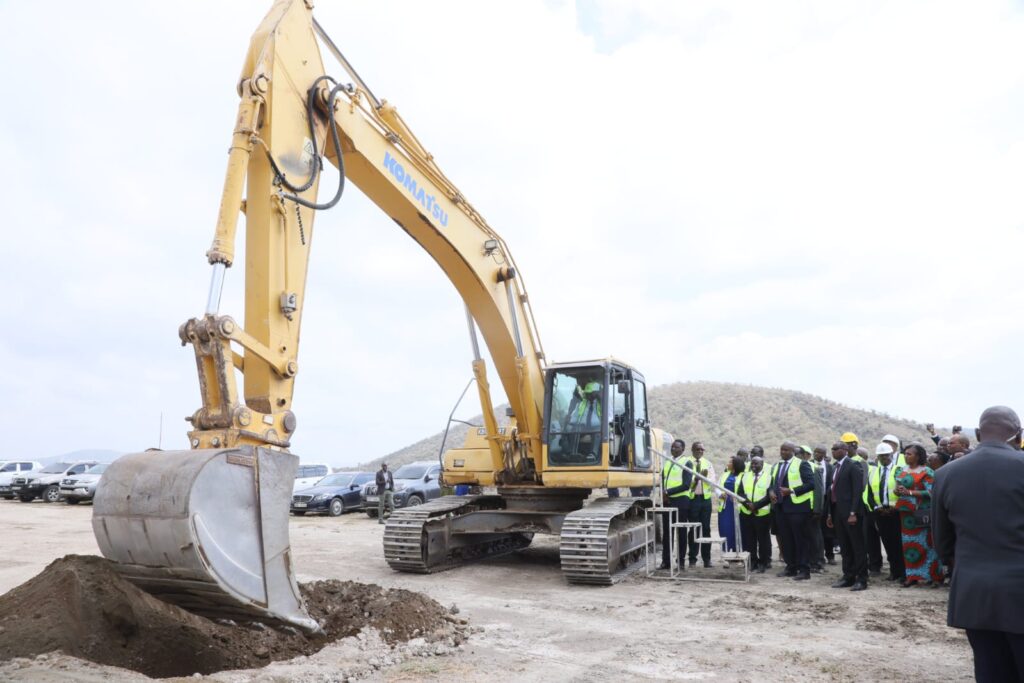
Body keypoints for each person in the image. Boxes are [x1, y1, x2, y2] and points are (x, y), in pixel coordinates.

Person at [933, 406, 1024, 683]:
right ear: (1018, 435)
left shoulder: (946, 474)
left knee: (989, 670)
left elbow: (942, 541)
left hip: (973, 592)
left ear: (978, 433)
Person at [894, 443, 942, 587]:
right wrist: (898, 492)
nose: (906, 456)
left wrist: (910, 492)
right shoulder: (901, 470)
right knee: (909, 545)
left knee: (928, 545)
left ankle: (934, 576)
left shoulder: (927, 472)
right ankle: (912, 576)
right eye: (905, 453)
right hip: (906, 514)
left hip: (921, 513)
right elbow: (897, 490)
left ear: (918, 456)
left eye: (910, 454)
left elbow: (931, 492)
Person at [769, 441, 814, 580]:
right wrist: (771, 492)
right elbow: (772, 484)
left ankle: (804, 570)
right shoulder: (777, 466)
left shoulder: (802, 464)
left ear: (793, 451)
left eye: (786, 450)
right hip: (781, 508)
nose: (783, 452)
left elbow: (811, 484)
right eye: (781, 449)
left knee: (800, 540)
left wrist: (792, 491)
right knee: (786, 539)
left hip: (798, 508)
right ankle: (791, 567)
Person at [828, 440, 868, 591]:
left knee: (857, 547)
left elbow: (857, 491)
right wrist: (830, 514)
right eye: (832, 449)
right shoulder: (835, 467)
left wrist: (853, 512)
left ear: (845, 450)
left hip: (851, 513)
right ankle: (848, 576)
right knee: (845, 547)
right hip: (837, 512)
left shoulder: (853, 465)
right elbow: (832, 491)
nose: (833, 451)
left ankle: (862, 579)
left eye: (836, 448)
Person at [865, 443, 905, 583]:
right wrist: (877, 507)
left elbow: (903, 490)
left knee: (899, 543)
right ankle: (894, 572)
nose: (884, 458)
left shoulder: (898, 470)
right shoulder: (873, 472)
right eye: (881, 456)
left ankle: (903, 573)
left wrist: (895, 506)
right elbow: (869, 493)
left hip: (896, 512)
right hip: (880, 513)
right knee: (887, 543)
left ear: (891, 456)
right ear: (878, 457)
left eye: (886, 456)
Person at [659, 439, 691, 570]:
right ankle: (666, 561)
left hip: (681, 501)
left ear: (682, 449)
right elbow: (662, 479)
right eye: (672, 447)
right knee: (667, 532)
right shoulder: (667, 462)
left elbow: (686, 485)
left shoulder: (687, 463)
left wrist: (668, 492)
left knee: (681, 531)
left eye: (676, 447)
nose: (673, 449)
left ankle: (681, 561)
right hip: (668, 501)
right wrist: (663, 493)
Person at [738, 455, 772, 573]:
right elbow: (740, 493)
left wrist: (756, 506)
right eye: (752, 463)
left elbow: (769, 496)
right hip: (746, 513)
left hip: (762, 514)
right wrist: (749, 505)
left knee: (763, 540)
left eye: (756, 463)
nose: (753, 466)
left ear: (762, 464)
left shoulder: (768, 477)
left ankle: (764, 562)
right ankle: (752, 562)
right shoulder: (745, 476)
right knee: (748, 539)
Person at [685, 442, 716, 567]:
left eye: (702, 449)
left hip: (705, 500)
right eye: (697, 449)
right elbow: (685, 480)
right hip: (692, 499)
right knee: (693, 529)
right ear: (692, 450)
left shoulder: (708, 463)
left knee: (706, 529)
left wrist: (704, 478)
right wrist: (696, 479)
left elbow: (713, 480)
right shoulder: (686, 462)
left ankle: (707, 559)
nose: (700, 451)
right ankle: (692, 559)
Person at [799, 446, 826, 573]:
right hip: (802, 509)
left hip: (812, 509)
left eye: (800, 454)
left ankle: (817, 562)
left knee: (815, 536)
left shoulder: (813, 467)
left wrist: (817, 509)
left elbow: (819, 490)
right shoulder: (796, 468)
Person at [815, 446, 837, 565]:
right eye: (815, 452)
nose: (816, 454)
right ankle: (818, 557)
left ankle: (830, 555)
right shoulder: (810, 465)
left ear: (824, 454)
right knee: (815, 530)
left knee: (828, 531)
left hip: (827, 500)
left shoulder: (830, 467)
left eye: (819, 452)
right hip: (815, 502)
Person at [717, 456, 743, 552]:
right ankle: (726, 553)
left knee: (738, 530)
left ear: (735, 465)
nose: (728, 464)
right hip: (725, 506)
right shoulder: (724, 474)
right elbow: (717, 486)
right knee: (725, 529)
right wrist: (720, 494)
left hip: (738, 507)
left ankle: (739, 552)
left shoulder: (743, 475)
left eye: (730, 462)